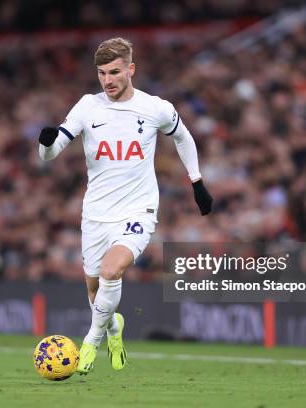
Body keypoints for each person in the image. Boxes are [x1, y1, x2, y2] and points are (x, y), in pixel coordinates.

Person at [38, 38, 213, 374]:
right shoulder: (88, 107)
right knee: (95, 289)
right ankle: (114, 328)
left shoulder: (155, 108)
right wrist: (45, 144)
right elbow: (52, 151)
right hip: (96, 215)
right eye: (102, 73)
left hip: (138, 210)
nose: (108, 80)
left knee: (111, 271)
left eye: (115, 72)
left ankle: (91, 341)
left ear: (131, 69)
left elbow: (183, 136)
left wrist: (197, 182)